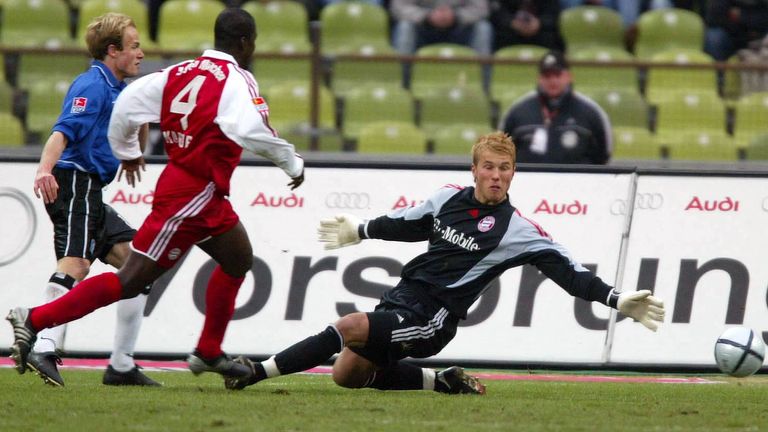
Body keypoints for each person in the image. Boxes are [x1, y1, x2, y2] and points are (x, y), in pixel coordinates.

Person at [223, 131, 665, 394]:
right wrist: (360, 230)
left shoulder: (518, 230)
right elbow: (408, 224)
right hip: (401, 298)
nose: (496, 176)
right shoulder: (447, 198)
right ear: (474, 169)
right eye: (489, 167)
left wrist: (615, 297)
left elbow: (569, 273)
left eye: (505, 168)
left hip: (433, 318)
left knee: (350, 326)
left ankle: (255, 371)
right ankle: (442, 381)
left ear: (514, 172)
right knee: (347, 375)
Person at [7, 8, 305, 384]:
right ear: (246, 43)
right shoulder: (236, 79)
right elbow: (253, 130)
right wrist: (292, 162)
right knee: (128, 279)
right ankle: (35, 319)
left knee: (238, 258)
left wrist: (129, 149)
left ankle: (206, 352)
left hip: (204, 196)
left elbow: (129, 104)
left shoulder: (179, 71)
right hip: (190, 196)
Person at [25, 12, 158, 387]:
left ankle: (120, 364)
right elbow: (62, 132)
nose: (141, 53)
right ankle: (43, 343)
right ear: (112, 51)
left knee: (140, 265)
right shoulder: (92, 85)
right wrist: (44, 171)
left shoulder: (120, 90)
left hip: (90, 189)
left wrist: (141, 116)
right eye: (133, 46)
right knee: (77, 263)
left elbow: (137, 144)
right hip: (74, 180)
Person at [498, 50, 613, 164]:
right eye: (547, 76)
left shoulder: (591, 112)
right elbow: (500, 152)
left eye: (557, 75)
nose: (552, 81)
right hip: (529, 181)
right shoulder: (518, 112)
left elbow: (604, 156)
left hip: (576, 182)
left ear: (569, 77)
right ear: (539, 79)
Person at [390, 0, 494, 56]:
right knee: (405, 27)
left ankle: (483, 88)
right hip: (423, 28)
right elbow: (399, 7)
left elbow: (481, 9)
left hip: (459, 29)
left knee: (483, 28)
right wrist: (427, 16)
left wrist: (456, 16)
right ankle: (401, 86)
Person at [704, 0, 768, 61]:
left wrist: (741, 16)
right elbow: (714, 18)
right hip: (731, 34)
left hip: (760, 34)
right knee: (713, 37)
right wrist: (743, 28)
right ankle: (718, 71)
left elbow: (764, 18)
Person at [489, 0, 563, 52]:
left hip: (540, 31)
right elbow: (497, 13)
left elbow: (554, 14)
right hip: (510, 31)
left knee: (551, 36)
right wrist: (512, 23)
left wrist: (539, 23)